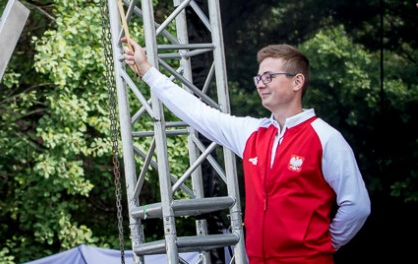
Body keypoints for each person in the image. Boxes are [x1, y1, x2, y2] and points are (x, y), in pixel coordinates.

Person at [122, 38, 370, 264]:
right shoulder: (252, 132)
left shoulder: (325, 138)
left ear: (297, 81)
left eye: (269, 77)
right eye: (258, 78)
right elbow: (197, 113)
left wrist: (321, 245)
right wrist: (147, 70)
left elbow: (357, 206)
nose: (261, 84)